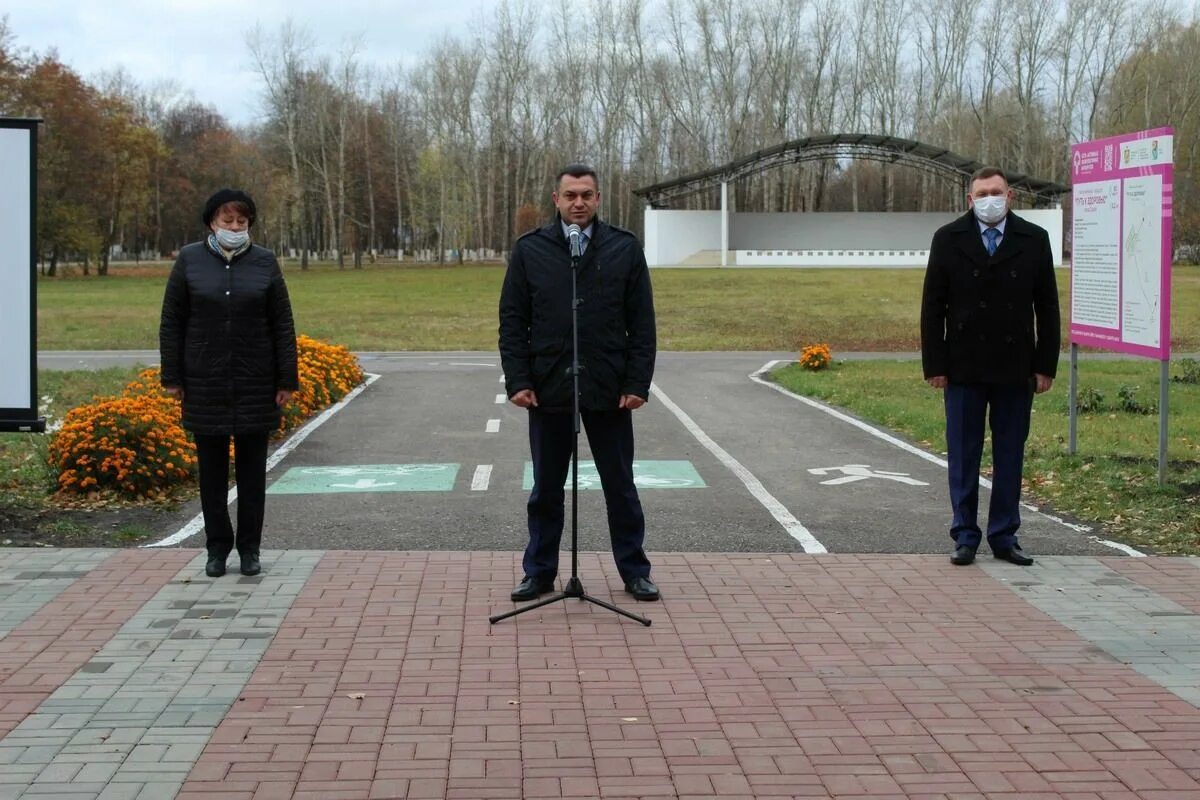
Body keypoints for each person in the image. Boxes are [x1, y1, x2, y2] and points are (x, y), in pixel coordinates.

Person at [498, 164, 660, 601]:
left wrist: (637, 383)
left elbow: (641, 325)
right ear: (556, 199)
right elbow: (513, 321)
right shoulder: (531, 251)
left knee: (620, 486)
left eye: (586, 195)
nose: (578, 203)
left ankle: (633, 570)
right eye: (570, 195)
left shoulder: (624, 249)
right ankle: (540, 571)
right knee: (546, 489)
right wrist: (518, 379)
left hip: (609, 390)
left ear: (599, 198)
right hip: (548, 388)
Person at [920, 166, 1060, 567]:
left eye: (996, 192)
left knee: (1010, 453)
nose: (989, 199)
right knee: (963, 453)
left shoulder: (1034, 239)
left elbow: (1047, 307)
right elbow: (933, 307)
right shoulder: (948, 239)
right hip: (962, 366)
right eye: (981, 193)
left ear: (1010, 196)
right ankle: (965, 534)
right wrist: (935, 364)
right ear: (970, 199)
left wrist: (1045, 364)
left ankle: (1004, 535)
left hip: (1015, 367)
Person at [159, 189, 299, 578]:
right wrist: (172, 376)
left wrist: (287, 378)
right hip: (205, 383)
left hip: (256, 382)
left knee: (253, 474)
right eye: (227, 221)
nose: (235, 228)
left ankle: (249, 549)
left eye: (241, 221)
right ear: (212, 223)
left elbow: (283, 324)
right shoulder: (189, 261)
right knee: (212, 472)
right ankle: (217, 548)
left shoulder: (265, 262)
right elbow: (172, 321)